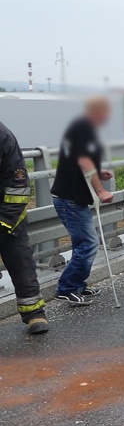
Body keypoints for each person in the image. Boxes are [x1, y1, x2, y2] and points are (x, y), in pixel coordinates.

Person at [52, 97, 114, 306]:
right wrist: (101, 190)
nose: (107, 117)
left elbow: (78, 161)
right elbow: (84, 161)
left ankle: (78, 286)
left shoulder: (80, 127)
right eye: (106, 112)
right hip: (70, 198)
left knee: (82, 244)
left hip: (70, 197)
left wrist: (98, 172)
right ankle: (67, 288)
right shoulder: (84, 128)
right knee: (89, 243)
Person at [0, 121, 49, 333]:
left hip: (8, 216)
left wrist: (5, 221)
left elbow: (18, 186)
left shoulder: (3, 136)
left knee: (20, 263)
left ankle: (34, 314)